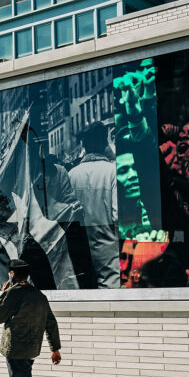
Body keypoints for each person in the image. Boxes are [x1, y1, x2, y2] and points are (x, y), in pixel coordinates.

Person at [68, 122, 120, 288]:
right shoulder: (112, 171)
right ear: (104, 143)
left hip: (80, 246)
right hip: (107, 246)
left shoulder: (71, 174)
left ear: (84, 145)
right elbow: (116, 214)